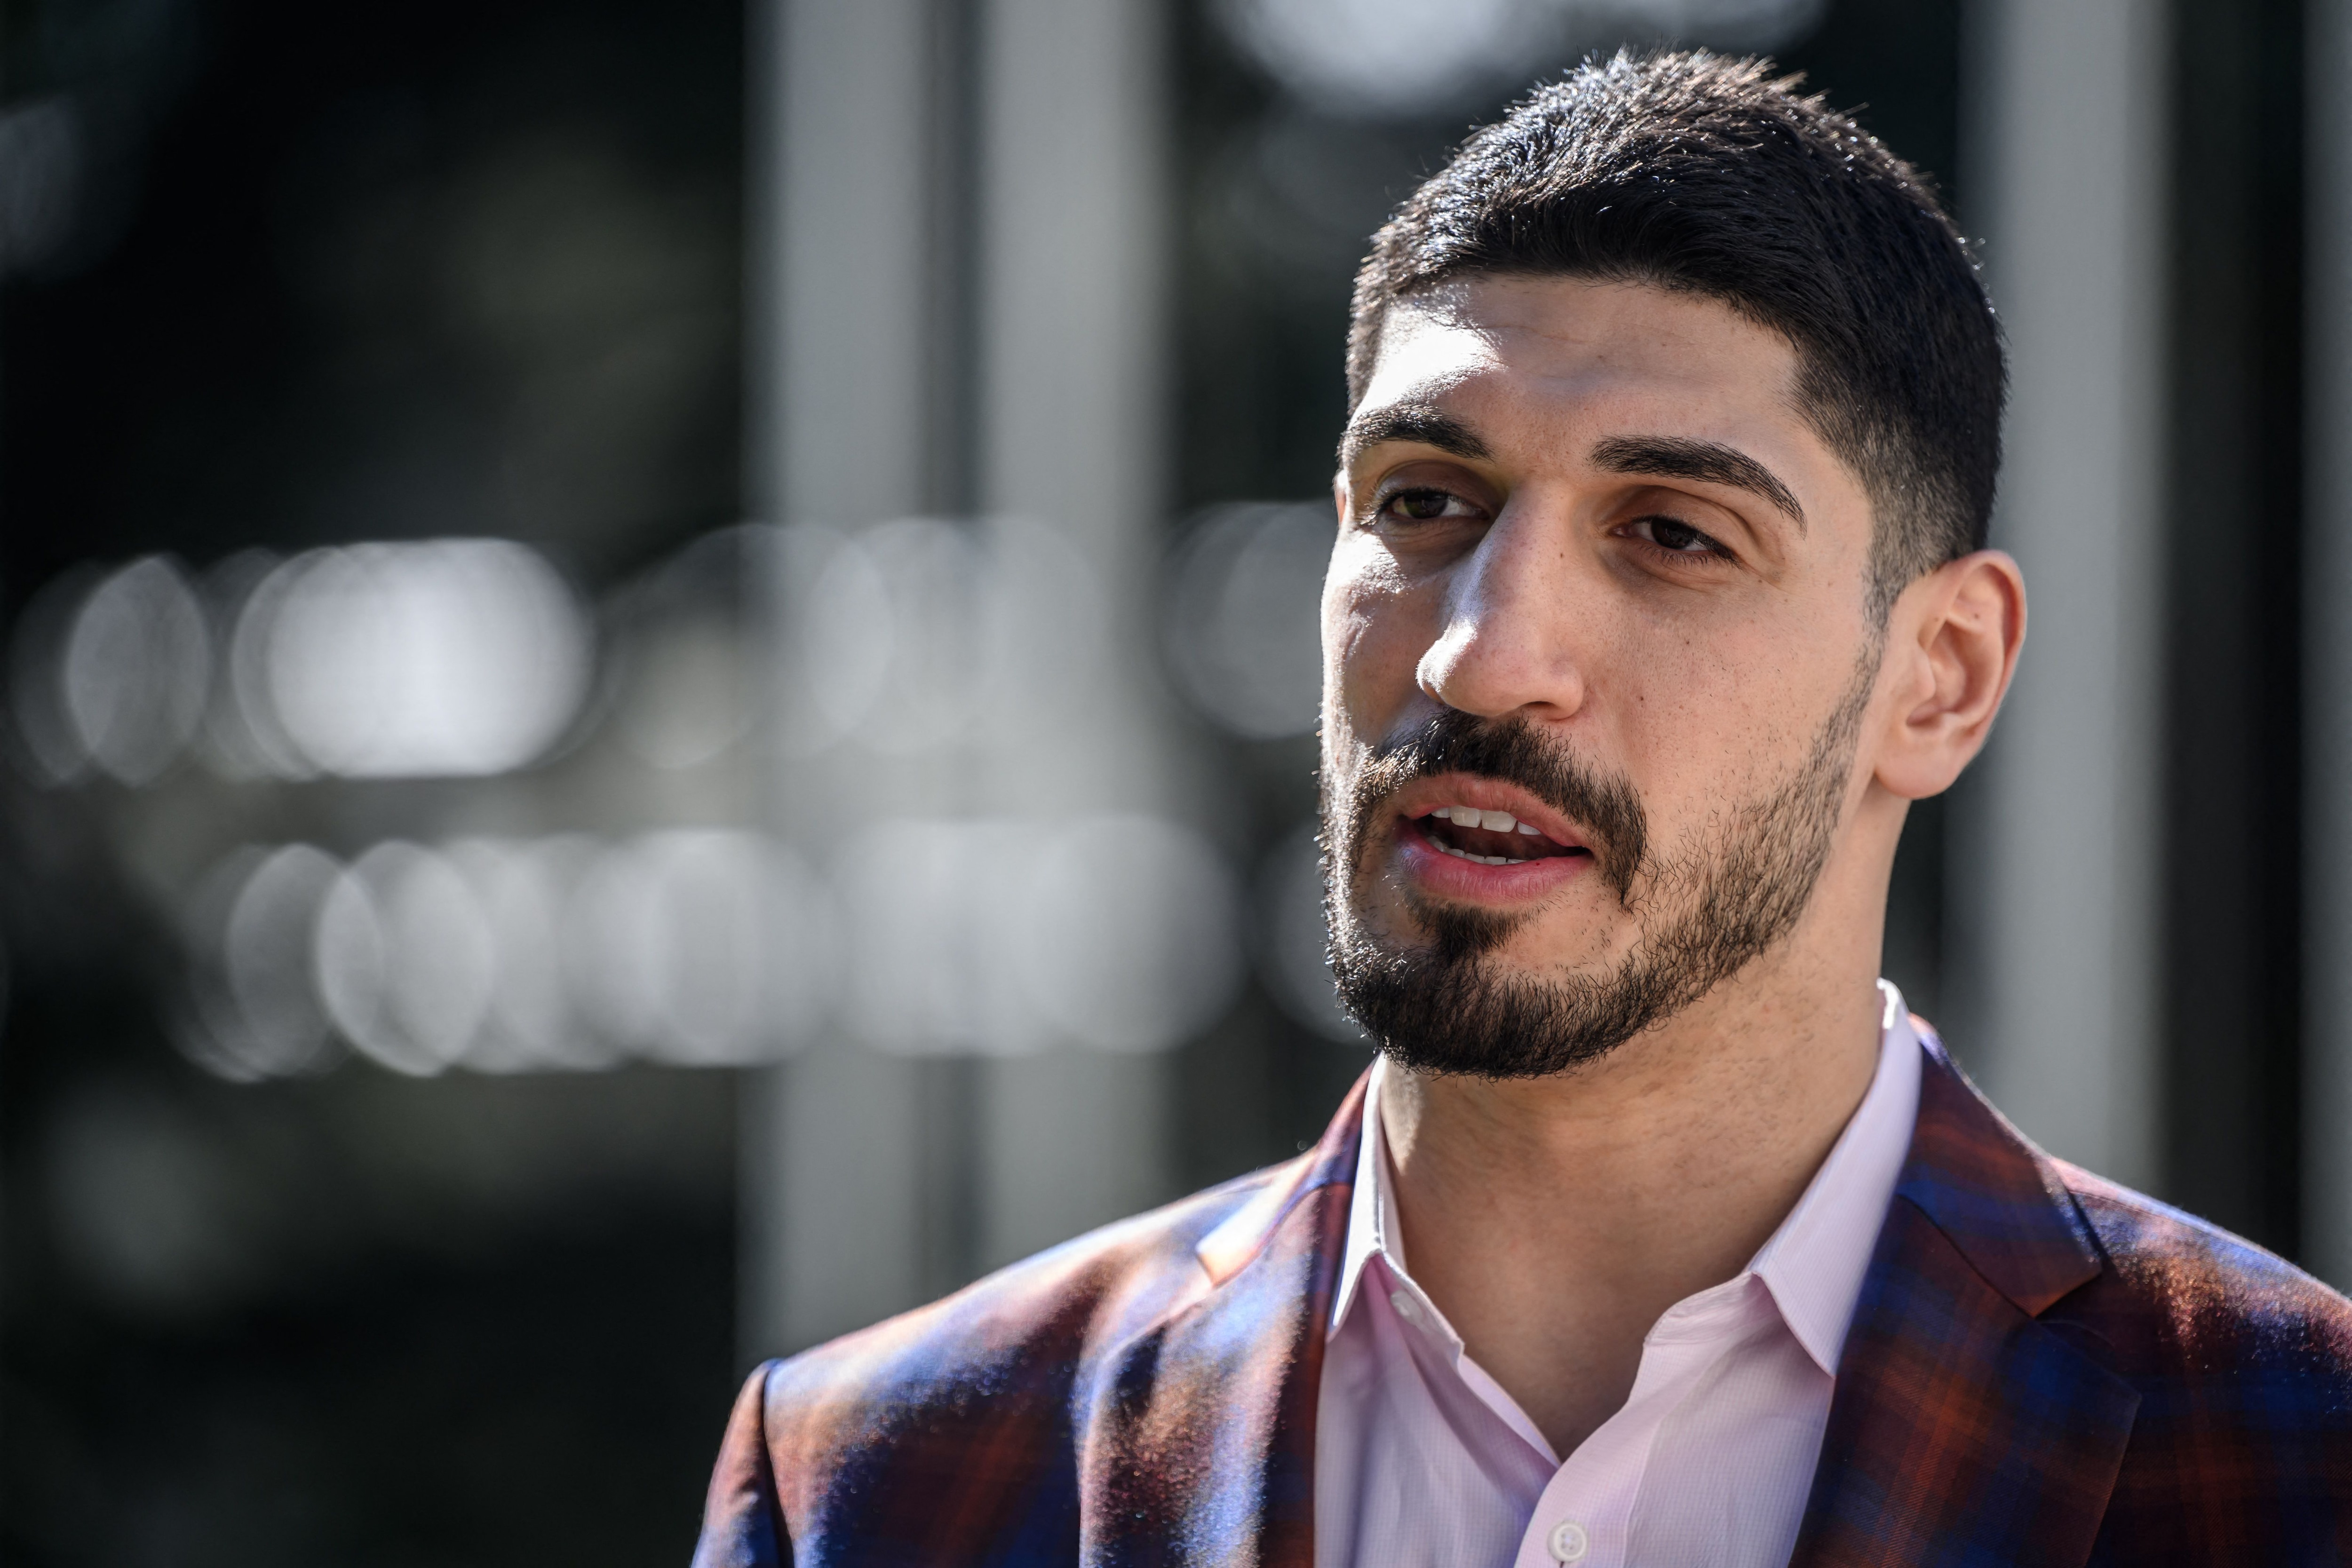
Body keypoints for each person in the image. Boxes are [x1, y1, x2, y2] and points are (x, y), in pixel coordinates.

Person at [691, 51, 2352, 1567]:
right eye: (1423, 502)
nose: (1482, 659)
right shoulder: (880, 1489)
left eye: (1674, 534)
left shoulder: (2293, 1460)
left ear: (1940, 677)